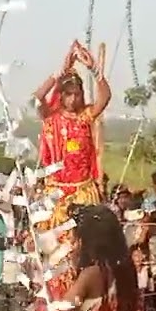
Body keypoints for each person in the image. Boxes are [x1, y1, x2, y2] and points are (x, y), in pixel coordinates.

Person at [35, 40, 111, 218]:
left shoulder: (85, 116)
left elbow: (105, 97)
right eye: (68, 94)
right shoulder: (51, 117)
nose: (72, 99)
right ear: (61, 95)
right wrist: (60, 71)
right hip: (55, 192)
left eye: (76, 94)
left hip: (83, 191)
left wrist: (94, 69)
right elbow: (38, 97)